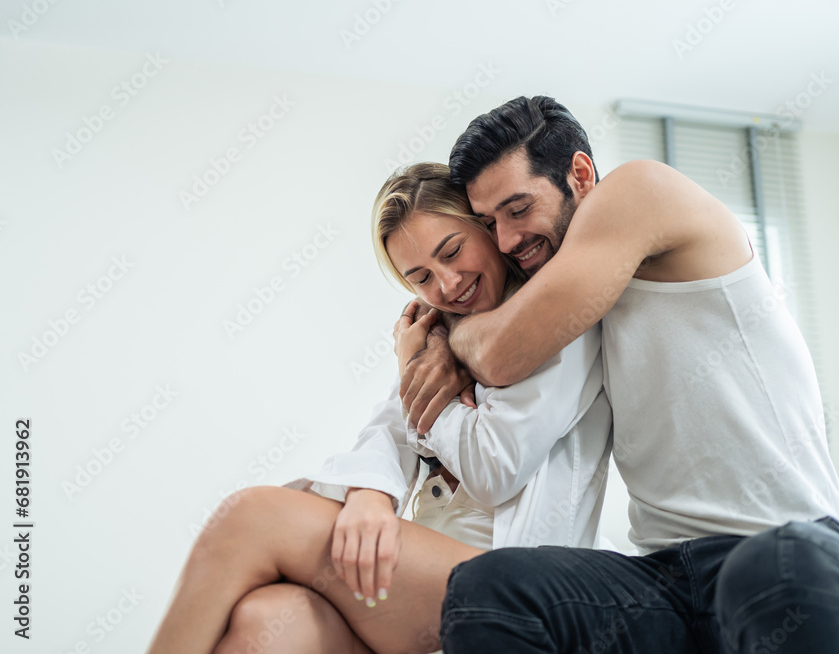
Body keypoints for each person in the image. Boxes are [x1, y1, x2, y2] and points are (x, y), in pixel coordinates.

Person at [394, 97, 839, 654]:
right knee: (486, 587)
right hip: (670, 580)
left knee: (764, 570)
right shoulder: (569, 303)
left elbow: (502, 354)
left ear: (580, 174)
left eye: (518, 209)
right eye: (489, 223)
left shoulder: (639, 191)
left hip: (788, 547)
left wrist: (445, 333)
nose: (507, 240)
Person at [144, 162, 612, 654]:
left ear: (486, 227)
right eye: (421, 277)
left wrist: (420, 374)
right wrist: (369, 493)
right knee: (266, 622)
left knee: (249, 518)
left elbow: (496, 468)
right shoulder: (440, 336)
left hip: (510, 583)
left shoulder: (555, 316)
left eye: (452, 251)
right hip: (425, 585)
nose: (449, 284)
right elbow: (389, 428)